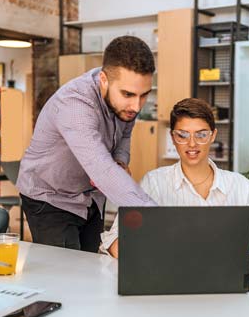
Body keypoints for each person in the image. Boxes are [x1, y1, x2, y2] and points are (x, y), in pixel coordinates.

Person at [102, 98, 249, 282]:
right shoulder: (154, 183)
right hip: (168, 283)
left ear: (213, 135)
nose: (192, 144)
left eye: (201, 135)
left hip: (224, 287)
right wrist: (150, 257)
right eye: (183, 135)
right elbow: (114, 238)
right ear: (173, 137)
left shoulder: (241, 187)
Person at [17, 36, 157, 253]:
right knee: (66, 276)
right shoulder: (75, 104)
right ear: (104, 80)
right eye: (128, 94)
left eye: (144, 95)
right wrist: (158, 220)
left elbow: (125, 135)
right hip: (51, 197)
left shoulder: (126, 104)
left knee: (91, 268)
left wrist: (120, 159)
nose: (136, 106)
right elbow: (100, 168)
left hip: (90, 197)